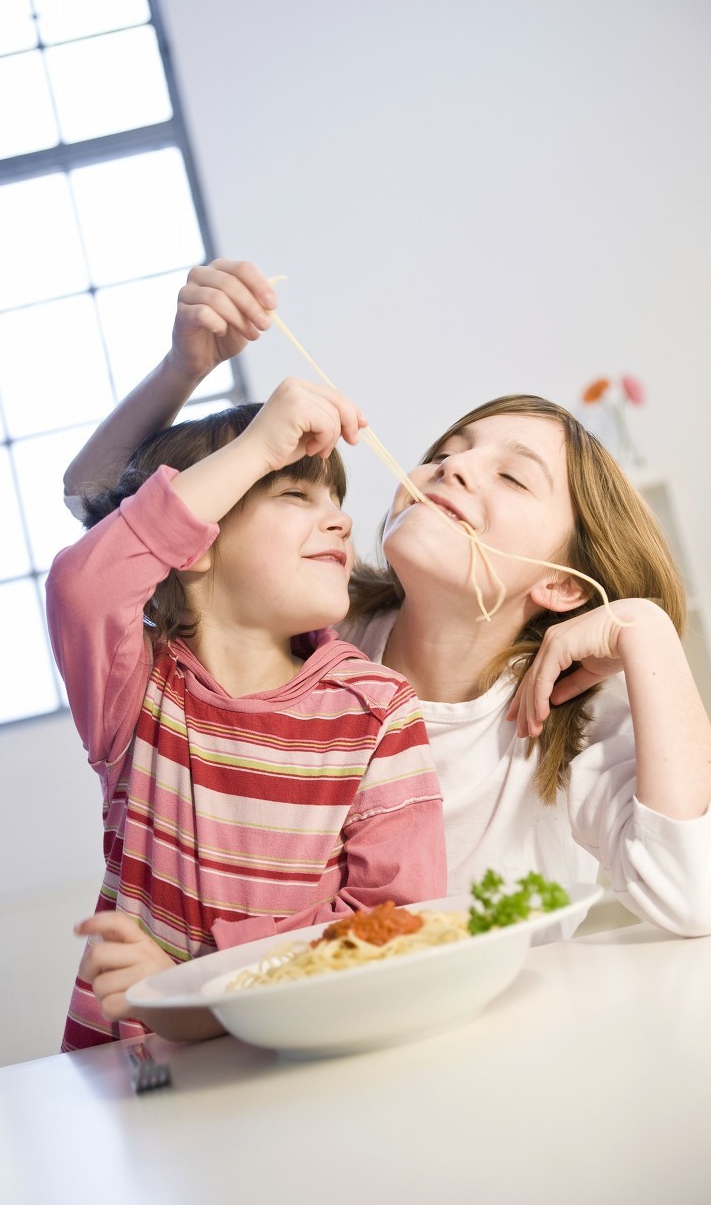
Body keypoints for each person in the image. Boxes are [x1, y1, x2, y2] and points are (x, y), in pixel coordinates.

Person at [64, 259, 711, 943]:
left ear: (560, 584)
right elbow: (101, 512)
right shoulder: (305, 630)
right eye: (446, 451)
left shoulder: (571, 725)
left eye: (512, 477)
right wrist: (181, 368)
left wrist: (647, 631)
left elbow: (692, 897)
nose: (449, 466)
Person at [47, 376, 445, 1050]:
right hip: (136, 1072)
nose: (341, 519)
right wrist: (260, 446)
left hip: (296, 1056)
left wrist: (196, 987)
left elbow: (396, 917)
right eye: (294, 493)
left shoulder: (375, 707)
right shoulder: (139, 688)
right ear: (192, 544)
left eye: (337, 499)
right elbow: (83, 583)